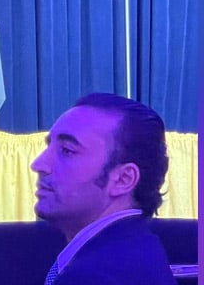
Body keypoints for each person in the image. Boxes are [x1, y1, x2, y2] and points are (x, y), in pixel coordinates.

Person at [31, 93, 176, 285]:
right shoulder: (136, 249)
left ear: (123, 179)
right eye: (49, 147)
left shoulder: (94, 277)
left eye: (67, 150)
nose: (39, 164)